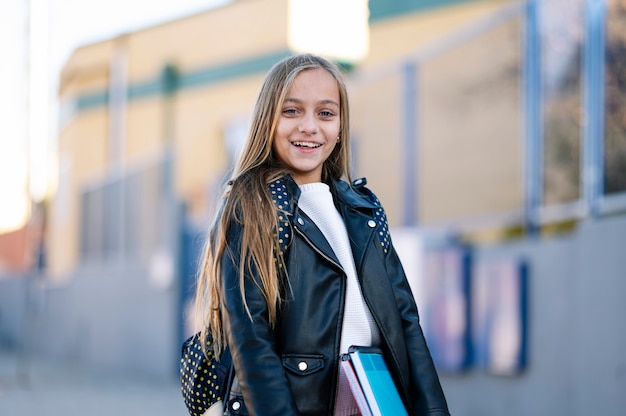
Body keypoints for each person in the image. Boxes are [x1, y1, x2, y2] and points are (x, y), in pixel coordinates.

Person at [184, 53, 450, 416]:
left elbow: (407, 326)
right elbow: (251, 340)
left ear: (341, 126)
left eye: (325, 113)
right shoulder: (254, 205)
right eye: (292, 111)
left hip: (374, 402)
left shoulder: (364, 210)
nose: (309, 126)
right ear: (267, 120)